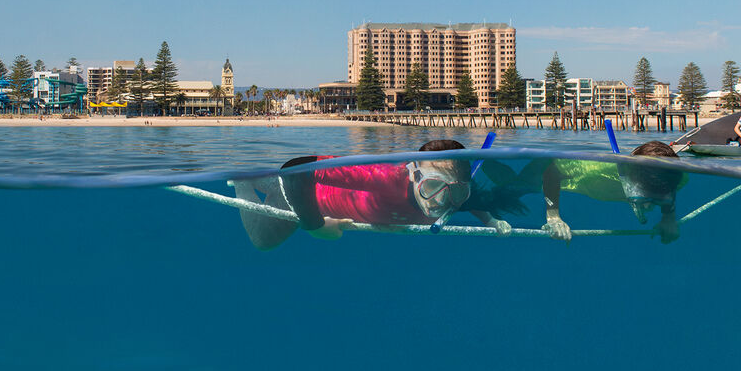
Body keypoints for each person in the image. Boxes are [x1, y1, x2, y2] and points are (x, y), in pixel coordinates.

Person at [238, 139, 515, 249]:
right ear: (413, 174)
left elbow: (469, 202)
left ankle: (254, 175)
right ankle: (240, 180)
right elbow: (297, 171)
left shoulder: (458, 193)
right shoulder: (384, 178)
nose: (442, 203)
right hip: (305, 198)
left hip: (315, 197)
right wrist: (316, 225)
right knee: (263, 240)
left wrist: (490, 221)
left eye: (457, 192)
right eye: (432, 189)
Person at [539, 141, 689, 243]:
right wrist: (553, 217)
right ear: (629, 178)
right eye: (646, 198)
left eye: (659, 200)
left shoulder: (678, 178)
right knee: (524, 186)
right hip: (547, 172)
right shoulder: (596, 171)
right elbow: (550, 173)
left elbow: (670, 191)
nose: (648, 208)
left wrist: (668, 217)